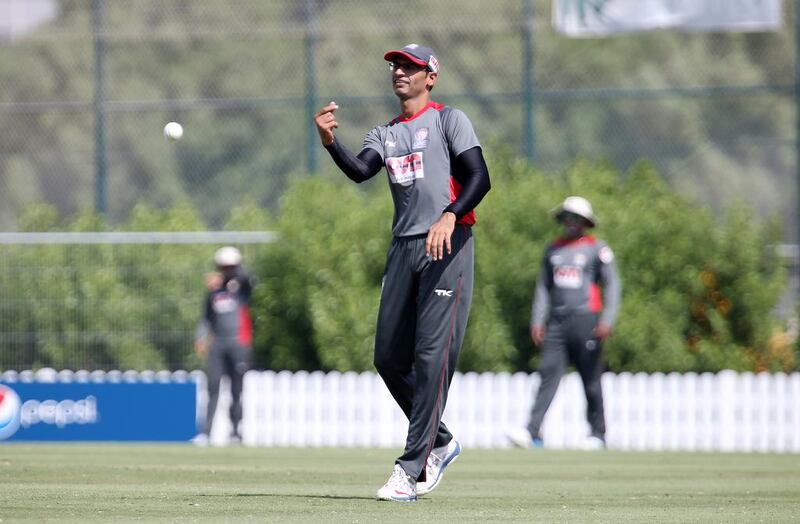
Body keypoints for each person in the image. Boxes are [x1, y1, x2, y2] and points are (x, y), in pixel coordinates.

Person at [314, 43, 491, 501]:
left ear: (430, 76)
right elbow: (359, 171)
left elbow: (479, 178)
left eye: (410, 66)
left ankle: (409, 470)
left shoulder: (449, 119)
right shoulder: (385, 133)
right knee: (388, 357)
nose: (399, 71)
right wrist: (332, 141)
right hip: (404, 249)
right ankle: (442, 440)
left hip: (447, 246)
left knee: (431, 359)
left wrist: (451, 215)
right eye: (396, 65)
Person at [507, 196, 621, 450]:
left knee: (591, 378)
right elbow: (543, 288)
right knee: (547, 374)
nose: (571, 222)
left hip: (587, 321)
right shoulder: (553, 250)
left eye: (576, 218)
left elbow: (612, 285)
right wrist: (537, 319)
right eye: (567, 217)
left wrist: (607, 319)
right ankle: (531, 431)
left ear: (585, 222)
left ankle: (598, 434)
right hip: (557, 323)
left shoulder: (597, 249)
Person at [193, 246, 254, 446]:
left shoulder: (241, 289)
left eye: (230, 267)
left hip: (238, 343)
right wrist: (201, 338)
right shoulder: (213, 293)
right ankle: (206, 433)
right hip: (218, 345)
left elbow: (247, 278)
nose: (226, 270)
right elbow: (206, 318)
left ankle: (236, 432)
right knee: (213, 387)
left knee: (237, 389)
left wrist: (227, 279)